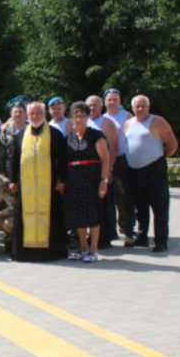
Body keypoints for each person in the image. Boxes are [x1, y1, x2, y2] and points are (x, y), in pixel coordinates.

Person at [8, 102, 69, 262]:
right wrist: (12, 180)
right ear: (28, 116)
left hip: (48, 186)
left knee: (51, 217)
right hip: (26, 186)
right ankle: (25, 253)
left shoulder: (55, 134)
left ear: (44, 114)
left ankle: (51, 253)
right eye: (32, 114)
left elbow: (62, 159)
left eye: (38, 113)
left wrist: (63, 180)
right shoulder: (21, 135)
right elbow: (14, 159)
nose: (35, 117)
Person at [124, 95, 178, 252]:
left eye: (143, 106)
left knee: (159, 207)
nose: (140, 109)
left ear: (148, 107)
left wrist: (160, 157)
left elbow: (173, 144)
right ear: (133, 108)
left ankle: (160, 241)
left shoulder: (157, 121)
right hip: (134, 171)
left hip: (154, 170)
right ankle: (141, 238)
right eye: (137, 106)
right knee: (140, 207)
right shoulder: (128, 124)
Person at [64, 102, 112, 263]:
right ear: (71, 118)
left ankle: (94, 249)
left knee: (92, 214)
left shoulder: (96, 135)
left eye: (82, 115)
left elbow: (105, 159)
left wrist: (104, 181)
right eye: (76, 116)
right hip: (74, 179)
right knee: (79, 214)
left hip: (92, 178)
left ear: (88, 117)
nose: (79, 119)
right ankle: (83, 248)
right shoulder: (69, 136)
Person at [103, 88, 136, 242]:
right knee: (109, 197)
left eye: (115, 99)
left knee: (126, 196)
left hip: (123, 159)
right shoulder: (102, 118)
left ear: (120, 101)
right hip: (106, 161)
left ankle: (127, 229)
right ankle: (111, 230)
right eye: (109, 99)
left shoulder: (127, 116)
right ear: (105, 102)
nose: (112, 102)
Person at [87, 95, 119, 248]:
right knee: (92, 205)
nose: (92, 108)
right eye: (89, 105)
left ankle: (106, 236)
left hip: (103, 169)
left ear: (100, 107)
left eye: (95, 105)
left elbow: (113, 147)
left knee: (106, 205)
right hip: (88, 171)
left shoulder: (106, 123)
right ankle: (93, 236)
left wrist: (108, 171)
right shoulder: (84, 121)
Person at [0, 98, 29, 179]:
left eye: (20, 112)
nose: (18, 114)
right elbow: (1, 152)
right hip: (10, 170)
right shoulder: (5, 130)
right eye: (15, 112)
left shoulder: (31, 129)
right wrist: (2, 171)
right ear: (11, 114)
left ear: (26, 114)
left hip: (29, 167)